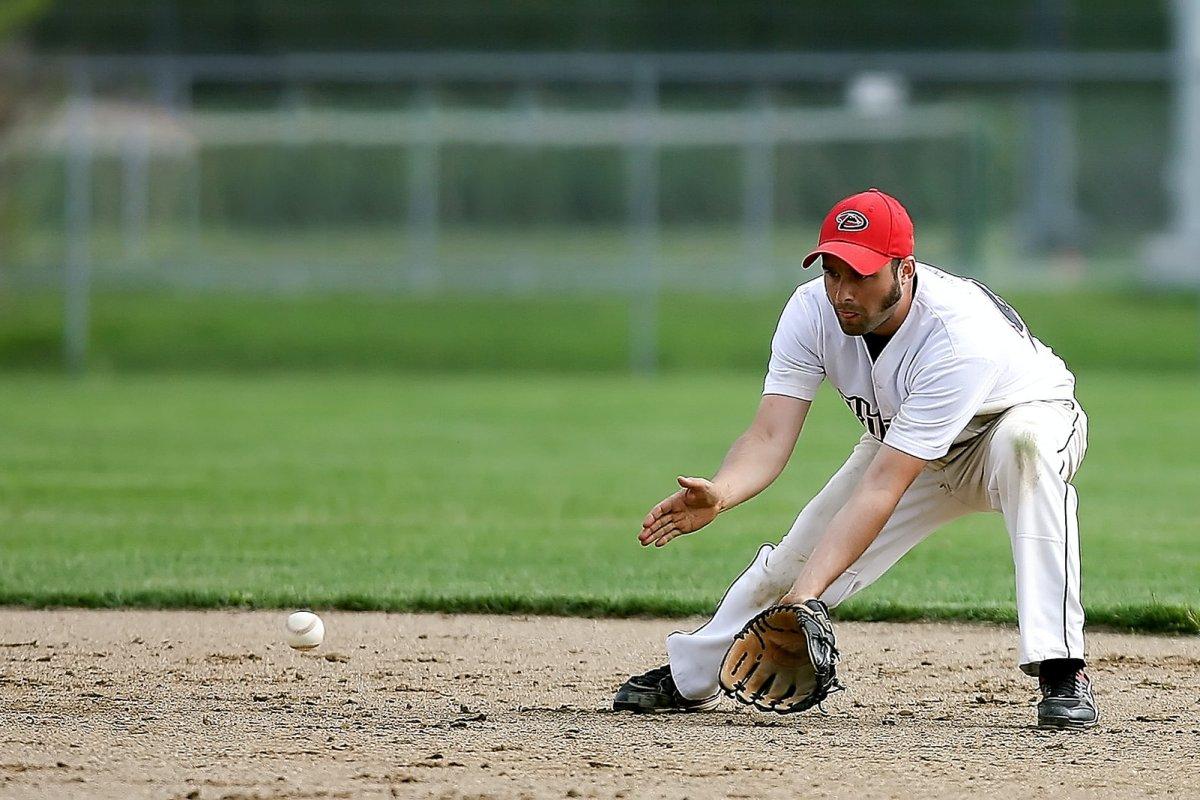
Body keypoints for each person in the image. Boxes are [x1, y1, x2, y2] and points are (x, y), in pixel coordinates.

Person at [613, 188, 1098, 730]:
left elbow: (881, 489)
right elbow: (771, 434)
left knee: (1025, 449)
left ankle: (1061, 666)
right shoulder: (811, 311)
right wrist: (723, 492)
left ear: (905, 269)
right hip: (904, 443)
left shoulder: (958, 338)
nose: (843, 291)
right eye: (833, 272)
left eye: (861, 275)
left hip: (1010, 423)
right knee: (796, 559)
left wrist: (805, 601)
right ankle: (695, 673)